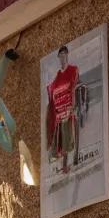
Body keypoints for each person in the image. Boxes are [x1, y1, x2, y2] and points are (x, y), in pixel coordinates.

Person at [45, 45, 80, 173]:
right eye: (60, 55)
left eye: (64, 54)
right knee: (61, 138)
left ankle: (69, 163)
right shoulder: (58, 75)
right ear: (59, 57)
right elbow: (52, 87)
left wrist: (72, 106)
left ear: (67, 55)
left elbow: (74, 85)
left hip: (69, 108)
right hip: (60, 111)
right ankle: (65, 166)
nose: (63, 57)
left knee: (67, 136)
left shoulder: (73, 69)